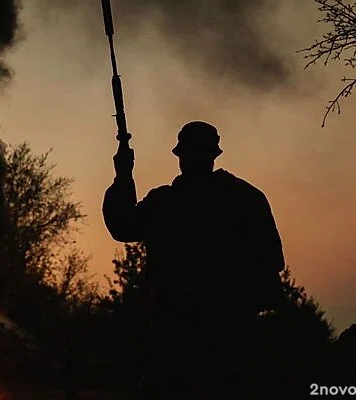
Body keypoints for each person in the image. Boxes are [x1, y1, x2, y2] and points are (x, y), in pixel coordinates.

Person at [102, 121, 285, 399]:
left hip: (180, 336)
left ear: (181, 155)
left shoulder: (166, 203)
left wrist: (123, 176)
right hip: (228, 336)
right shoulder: (247, 199)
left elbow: (123, 224)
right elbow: (272, 261)